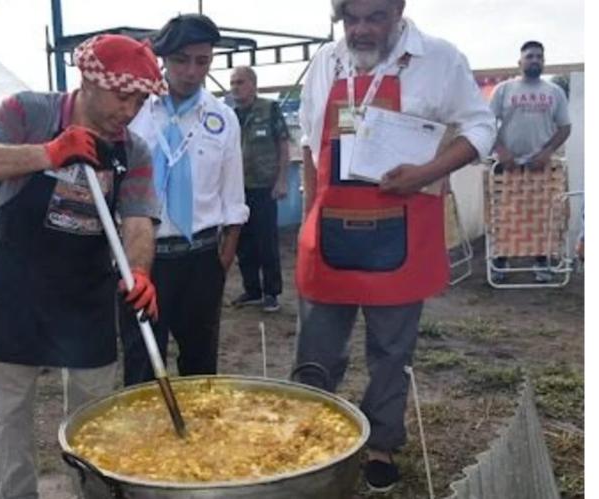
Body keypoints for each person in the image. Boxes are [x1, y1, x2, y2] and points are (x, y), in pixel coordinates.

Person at [294, 0, 496, 492]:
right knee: (318, 345)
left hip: (402, 233)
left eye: (375, 17)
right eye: (351, 19)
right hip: (333, 230)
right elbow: (306, 141)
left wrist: (426, 174)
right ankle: (307, 435)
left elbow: (481, 128)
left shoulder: (439, 59)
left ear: (399, 10)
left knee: (390, 348)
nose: (361, 30)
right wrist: (308, 221)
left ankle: (381, 441)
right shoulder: (326, 62)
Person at [0, 35, 165, 499]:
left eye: (139, 100)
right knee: (10, 413)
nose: (128, 111)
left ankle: (89, 492)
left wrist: (140, 272)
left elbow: (138, 221)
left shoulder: (134, 151)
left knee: (94, 415)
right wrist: (47, 153)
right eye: (120, 95)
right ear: (88, 80)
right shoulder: (28, 113)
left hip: (86, 294)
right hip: (15, 290)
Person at [119, 14, 249, 386]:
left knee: (200, 360)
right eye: (181, 60)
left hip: (201, 258)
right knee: (142, 361)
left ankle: (199, 440)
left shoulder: (222, 118)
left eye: (202, 61)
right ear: (163, 59)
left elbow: (233, 196)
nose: (192, 71)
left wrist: (224, 257)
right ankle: (146, 440)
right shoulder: (135, 110)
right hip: (144, 261)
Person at [489, 40, 572, 283]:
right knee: (503, 214)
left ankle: (541, 261)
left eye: (539, 57)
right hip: (507, 166)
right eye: (530, 56)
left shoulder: (554, 92)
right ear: (520, 62)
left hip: (541, 166)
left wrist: (547, 152)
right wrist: (501, 150)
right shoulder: (504, 89)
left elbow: (565, 127)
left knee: (542, 215)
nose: (534, 60)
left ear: (544, 62)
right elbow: (487, 123)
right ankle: (500, 262)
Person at [228, 66, 290, 313]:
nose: (235, 87)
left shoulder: (269, 109)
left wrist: (282, 179)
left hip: (264, 187)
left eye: (240, 82)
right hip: (238, 189)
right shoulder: (229, 115)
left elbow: (283, 144)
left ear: (253, 84)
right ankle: (252, 290)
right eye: (232, 83)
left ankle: (271, 293)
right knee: (243, 243)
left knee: (267, 242)